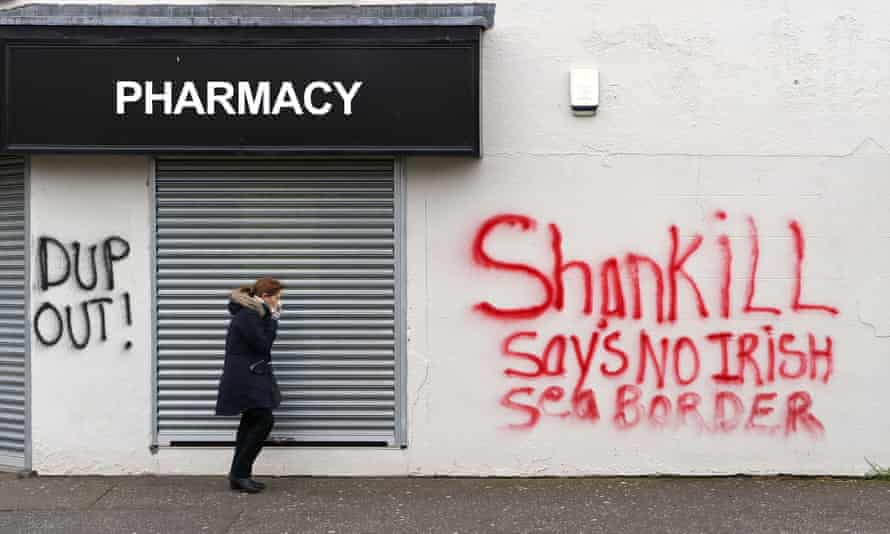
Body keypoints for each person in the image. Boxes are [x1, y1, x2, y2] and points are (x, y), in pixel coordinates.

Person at [215, 277, 283, 493]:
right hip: (246, 377)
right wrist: (274, 318)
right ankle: (240, 474)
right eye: (277, 298)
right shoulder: (249, 315)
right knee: (264, 419)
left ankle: (239, 475)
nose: (279, 302)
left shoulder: (253, 313)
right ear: (265, 296)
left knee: (250, 422)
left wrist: (270, 317)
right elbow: (263, 345)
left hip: (249, 374)